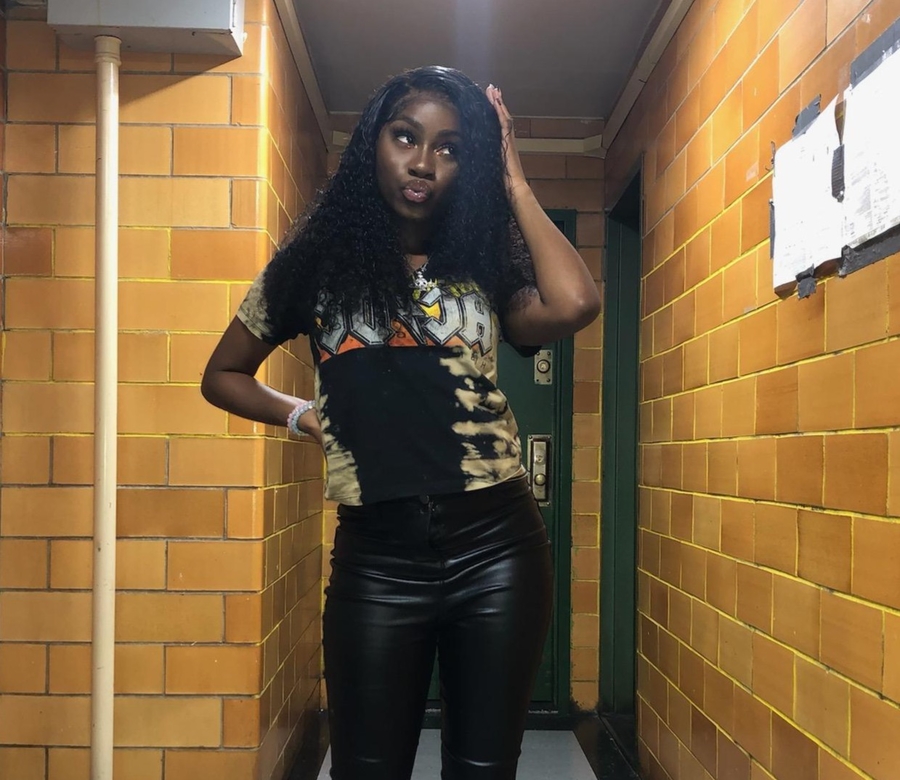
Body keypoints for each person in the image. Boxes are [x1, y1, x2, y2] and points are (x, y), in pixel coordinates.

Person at [201, 65, 600, 780]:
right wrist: (302, 416)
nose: (423, 162)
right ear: (373, 145)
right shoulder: (314, 265)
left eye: (450, 149)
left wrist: (511, 180)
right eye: (406, 137)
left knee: (483, 769)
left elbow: (575, 303)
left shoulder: (484, 260)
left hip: (497, 547)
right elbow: (222, 374)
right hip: (376, 557)